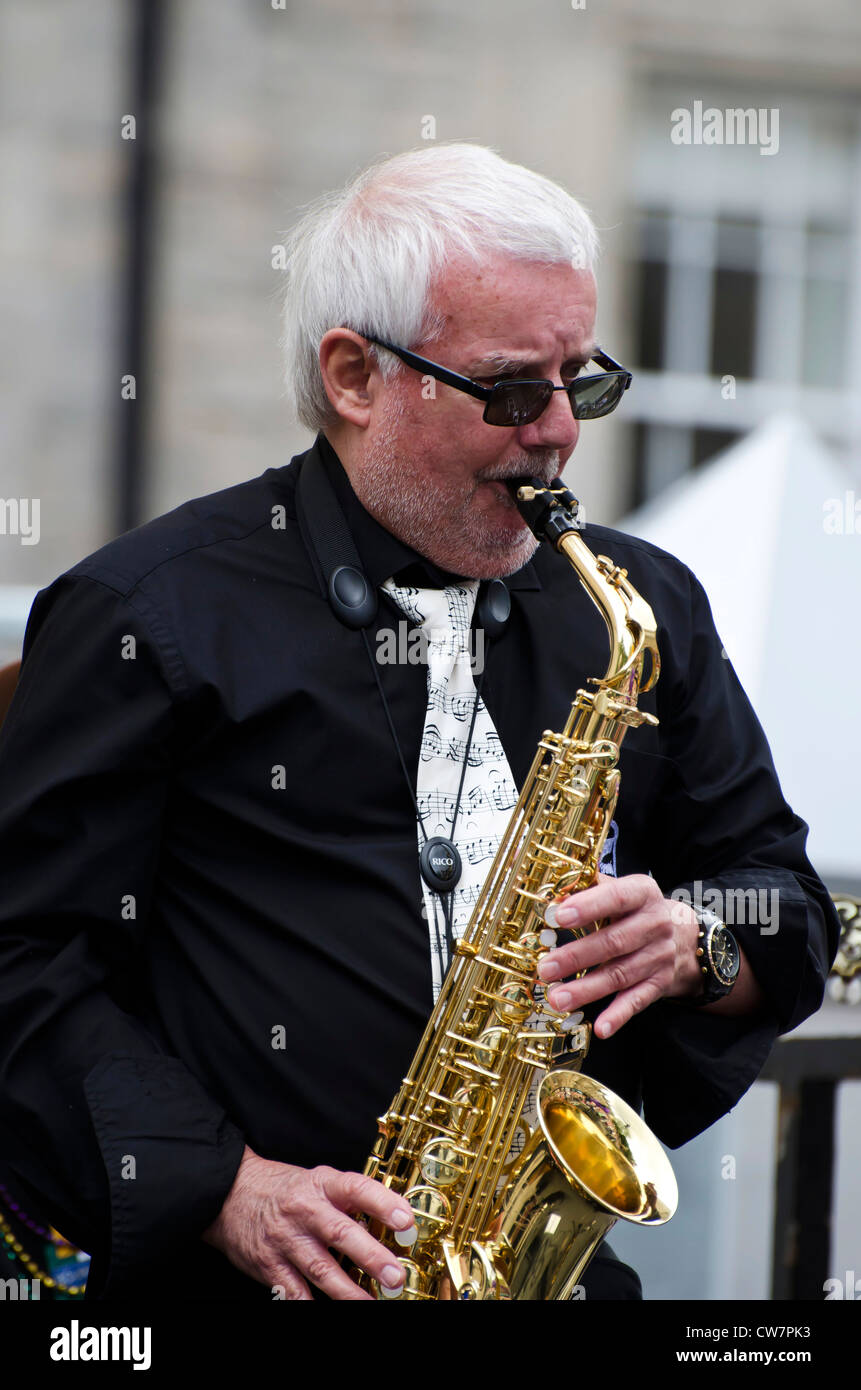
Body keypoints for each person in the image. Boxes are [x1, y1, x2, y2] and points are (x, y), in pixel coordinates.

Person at [0, 144, 837, 1302]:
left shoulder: (640, 607)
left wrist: (704, 943)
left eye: (581, 382)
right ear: (353, 375)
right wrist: (226, 1188)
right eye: (509, 390)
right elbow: (24, 959)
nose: (557, 432)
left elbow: (785, 896)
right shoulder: (150, 613)